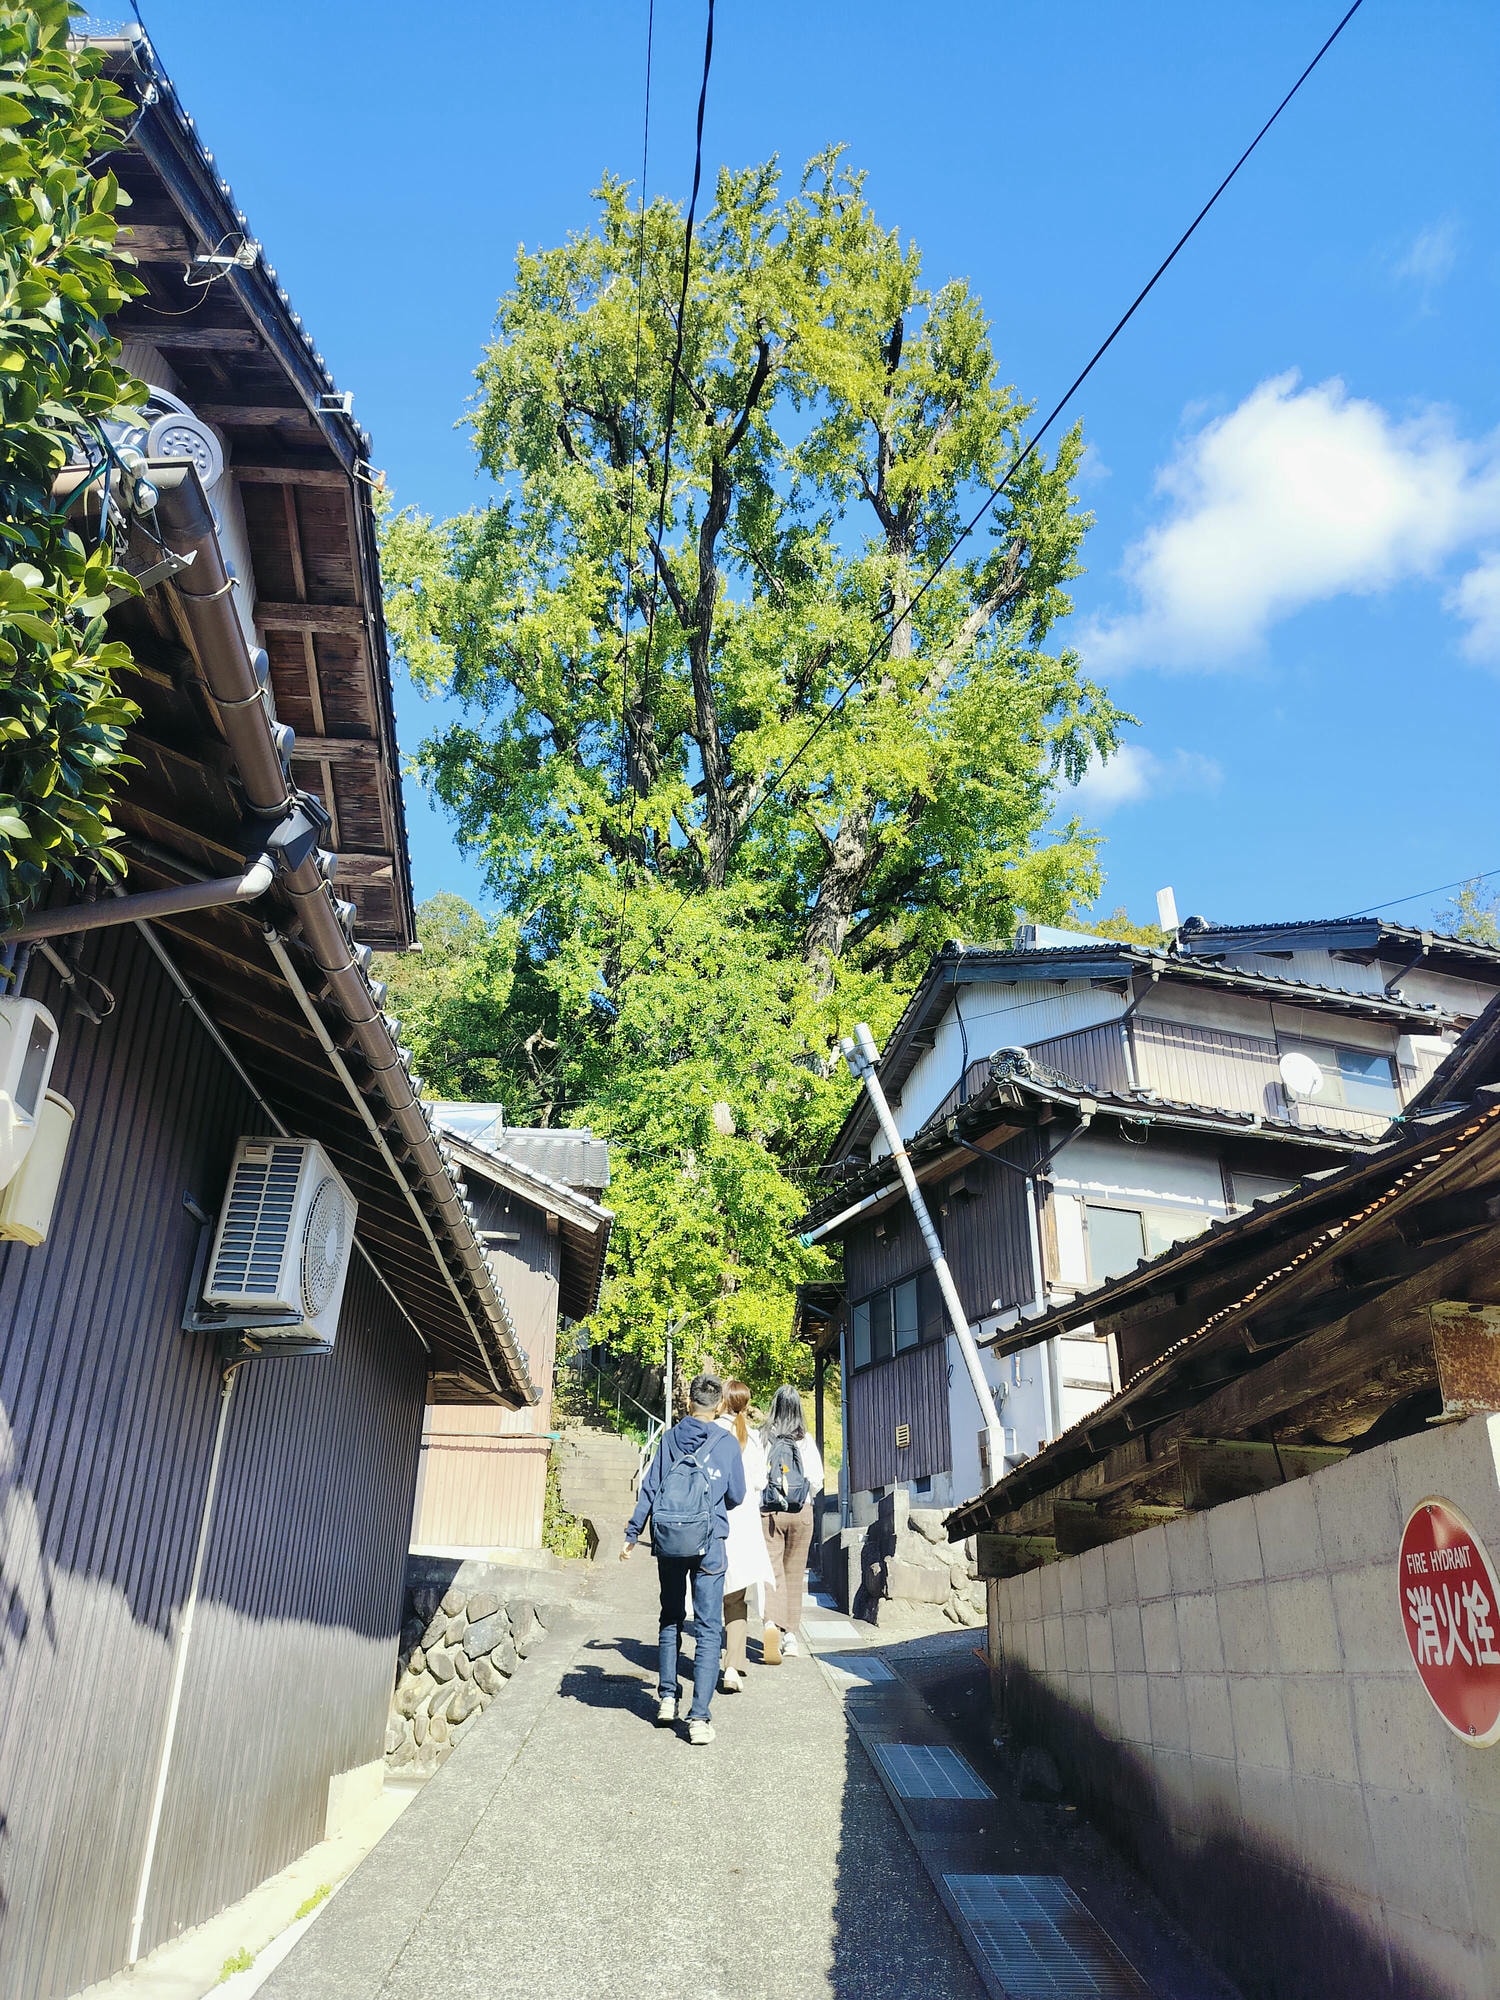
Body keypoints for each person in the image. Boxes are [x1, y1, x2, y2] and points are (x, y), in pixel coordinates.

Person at [621, 1372, 745, 1745]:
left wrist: (632, 1534)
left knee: (671, 1616)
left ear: (688, 1404)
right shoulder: (725, 1443)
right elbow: (736, 1495)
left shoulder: (670, 1438)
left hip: (670, 1542)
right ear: (720, 1406)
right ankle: (699, 1718)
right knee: (708, 1628)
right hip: (710, 1544)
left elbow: (651, 1486)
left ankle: (666, 1698)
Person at [715, 1379, 773, 1693]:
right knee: (736, 1597)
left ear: (722, 1401)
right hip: (746, 1524)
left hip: (717, 1520)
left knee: (711, 1592)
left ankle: (712, 1660)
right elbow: (761, 1482)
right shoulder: (751, 1438)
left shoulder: (711, 1433)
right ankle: (733, 1666)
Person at [759, 1384, 824, 1663]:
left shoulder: (763, 1437)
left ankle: (770, 1624)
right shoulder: (805, 1441)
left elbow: (755, 1477)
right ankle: (790, 1638)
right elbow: (818, 1482)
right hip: (801, 1512)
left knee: (772, 1572)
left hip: (770, 1513)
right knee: (795, 1574)